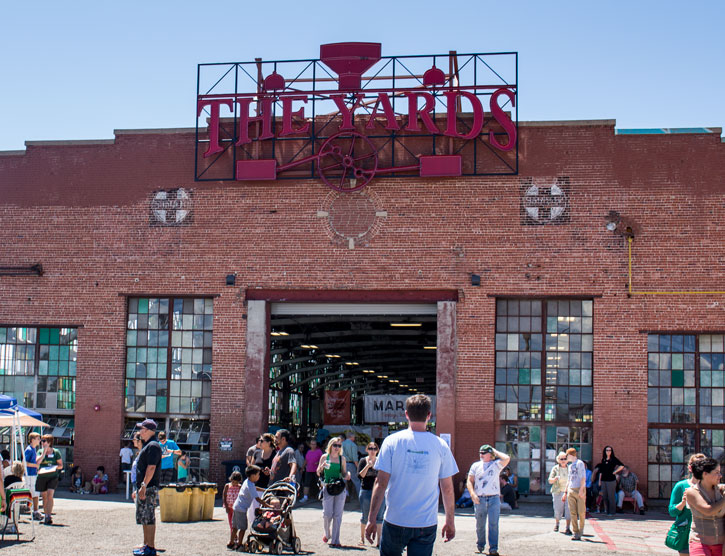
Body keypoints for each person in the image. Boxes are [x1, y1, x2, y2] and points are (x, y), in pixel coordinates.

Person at [365, 394, 458, 556]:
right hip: (425, 522)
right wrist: (450, 521)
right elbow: (448, 489)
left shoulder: (391, 442)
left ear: (406, 414)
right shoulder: (440, 446)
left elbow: (380, 484)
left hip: (395, 519)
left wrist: (371, 519)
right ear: (429, 415)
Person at [467, 444, 511, 555]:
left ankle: (493, 548)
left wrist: (495, 452)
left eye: (483, 453)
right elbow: (469, 481)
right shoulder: (475, 466)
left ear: (489, 454)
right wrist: (472, 494)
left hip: (494, 498)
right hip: (480, 498)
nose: (481, 455)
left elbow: (507, 458)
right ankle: (480, 545)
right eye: (480, 452)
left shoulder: (495, 465)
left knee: (493, 524)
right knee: (480, 524)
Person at [684, 456, 725, 556]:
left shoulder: (721, 490)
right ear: (705, 474)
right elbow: (708, 510)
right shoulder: (692, 492)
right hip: (699, 543)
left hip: (721, 544)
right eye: (716, 473)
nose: (720, 476)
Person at [133, 418, 162, 556]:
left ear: (149, 431)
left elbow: (151, 468)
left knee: (149, 517)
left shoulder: (153, 446)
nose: (140, 432)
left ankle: (151, 547)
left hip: (149, 487)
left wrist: (144, 485)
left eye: (142, 429)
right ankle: (146, 545)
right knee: (144, 517)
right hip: (144, 487)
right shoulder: (147, 445)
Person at [669, 453, 706, 556]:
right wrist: (683, 502)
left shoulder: (708, 487)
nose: (701, 469)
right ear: (690, 467)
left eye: (703, 466)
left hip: (704, 534)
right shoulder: (681, 486)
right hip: (685, 534)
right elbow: (672, 511)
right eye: (698, 465)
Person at [317, 435, 350, 547]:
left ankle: (336, 540)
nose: (337, 447)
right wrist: (322, 466)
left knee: (338, 515)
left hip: (339, 487)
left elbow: (344, 472)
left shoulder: (342, 459)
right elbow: (318, 472)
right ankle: (327, 533)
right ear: (330, 446)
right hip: (328, 487)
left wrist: (347, 475)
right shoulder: (324, 457)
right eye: (335, 445)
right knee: (327, 514)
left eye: (339, 445)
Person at [358, 442, 385, 546]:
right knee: (365, 516)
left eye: (374, 448)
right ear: (367, 449)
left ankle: (379, 541)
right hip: (366, 491)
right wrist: (368, 466)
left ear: (377, 450)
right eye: (370, 448)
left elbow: (384, 476)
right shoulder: (362, 461)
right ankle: (362, 539)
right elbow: (360, 476)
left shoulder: (381, 461)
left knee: (379, 517)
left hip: (379, 492)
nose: (372, 451)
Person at [231, 465, 262, 550]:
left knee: (235, 527)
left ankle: (231, 542)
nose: (259, 476)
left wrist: (263, 490)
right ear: (253, 476)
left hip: (236, 506)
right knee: (243, 528)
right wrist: (267, 505)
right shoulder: (250, 485)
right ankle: (240, 544)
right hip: (242, 509)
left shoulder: (247, 481)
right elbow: (258, 499)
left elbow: (255, 488)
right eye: (258, 475)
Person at [36, 433, 63, 525]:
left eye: (44, 441)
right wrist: (44, 452)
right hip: (42, 476)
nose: (42, 442)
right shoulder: (40, 451)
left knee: (50, 495)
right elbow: (37, 462)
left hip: (53, 476)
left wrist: (55, 467)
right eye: (41, 441)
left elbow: (60, 465)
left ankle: (48, 515)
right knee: (44, 496)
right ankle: (45, 513)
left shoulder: (56, 452)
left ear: (49, 442)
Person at [562, 447, 587, 541]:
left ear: (571, 455)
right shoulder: (570, 466)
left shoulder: (580, 463)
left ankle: (581, 530)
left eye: (566, 455)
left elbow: (583, 477)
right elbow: (569, 479)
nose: (566, 457)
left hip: (579, 489)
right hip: (571, 489)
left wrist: (581, 489)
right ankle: (576, 532)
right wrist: (565, 492)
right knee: (572, 512)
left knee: (581, 511)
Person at [548, 452, 571, 535]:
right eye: (561, 459)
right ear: (558, 460)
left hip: (568, 492)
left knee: (569, 510)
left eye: (565, 458)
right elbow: (550, 480)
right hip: (558, 491)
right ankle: (557, 524)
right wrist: (554, 479)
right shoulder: (555, 468)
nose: (563, 460)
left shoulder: (570, 468)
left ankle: (568, 527)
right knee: (558, 509)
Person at [598, 445, 624, 516]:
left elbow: (622, 465)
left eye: (609, 450)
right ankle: (607, 510)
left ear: (611, 451)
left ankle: (612, 512)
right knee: (605, 496)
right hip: (604, 480)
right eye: (607, 450)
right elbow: (601, 471)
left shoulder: (613, 459)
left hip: (611, 480)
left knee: (611, 496)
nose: (608, 451)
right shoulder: (603, 459)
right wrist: (600, 481)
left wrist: (615, 471)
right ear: (605, 451)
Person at [24, 432, 44, 520]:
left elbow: (35, 461)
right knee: (30, 492)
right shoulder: (28, 450)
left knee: (35, 493)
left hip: (33, 474)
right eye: (37, 438)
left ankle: (35, 510)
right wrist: (35, 466)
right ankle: (32, 509)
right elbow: (24, 462)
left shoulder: (33, 449)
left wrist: (43, 454)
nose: (39, 440)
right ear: (32, 440)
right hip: (29, 474)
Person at [301, 438, 323, 504]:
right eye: (312, 444)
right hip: (309, 470)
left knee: (319, 483)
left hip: (317, 470)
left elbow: (323, 460)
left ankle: (322, 496)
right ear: (310, 445)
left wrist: (319, 463)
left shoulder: (319, 451)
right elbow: (306, 460)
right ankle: (305, 497)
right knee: (306, 483)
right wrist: (302, 467)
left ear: (316, 445)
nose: (313, 445)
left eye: (314, 444)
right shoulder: (308, 452)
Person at [342, 432, 361, 499]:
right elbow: (355, 458)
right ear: (351, 437)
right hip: (350, 464)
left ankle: (341, 497)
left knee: (343, 481)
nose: (354, 438)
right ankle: (360, 497)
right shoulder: (353, 445)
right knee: (356, 481)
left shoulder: (341, 444)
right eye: (354, 437)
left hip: (342, 464)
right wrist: (358, 467)